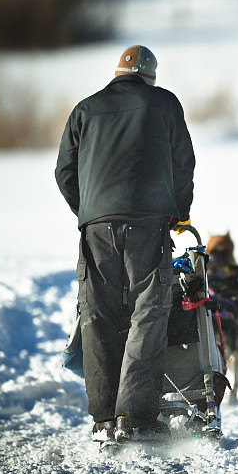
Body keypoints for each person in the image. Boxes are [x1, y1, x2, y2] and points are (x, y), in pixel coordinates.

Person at [55, 45, 195, 445]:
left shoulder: (85, 108)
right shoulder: (165, 103)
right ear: (150, 76)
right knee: (147, 314)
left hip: (96, 229)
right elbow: (183, 162)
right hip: (149, 225)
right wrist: (179, 213)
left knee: (97, 316)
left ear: (118, 72)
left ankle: (103, 419)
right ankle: (134, 416)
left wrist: (89, 211)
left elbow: (64, 170)